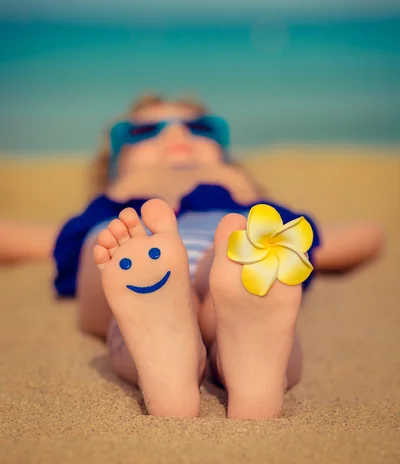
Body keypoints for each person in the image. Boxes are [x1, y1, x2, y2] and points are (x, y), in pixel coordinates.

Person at [0, 95, 384, 419]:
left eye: (201, 128)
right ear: (113, 170)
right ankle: (197, 350)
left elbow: (356, 238)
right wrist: (124, 194)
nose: (175, 134)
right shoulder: (113, 212)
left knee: (241, 260)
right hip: (135, 250)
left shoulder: (243, 205)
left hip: (227, 247)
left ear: (230, 162)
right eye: (143, 132)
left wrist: (247, 196)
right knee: (107, 250)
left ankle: (221, 362)